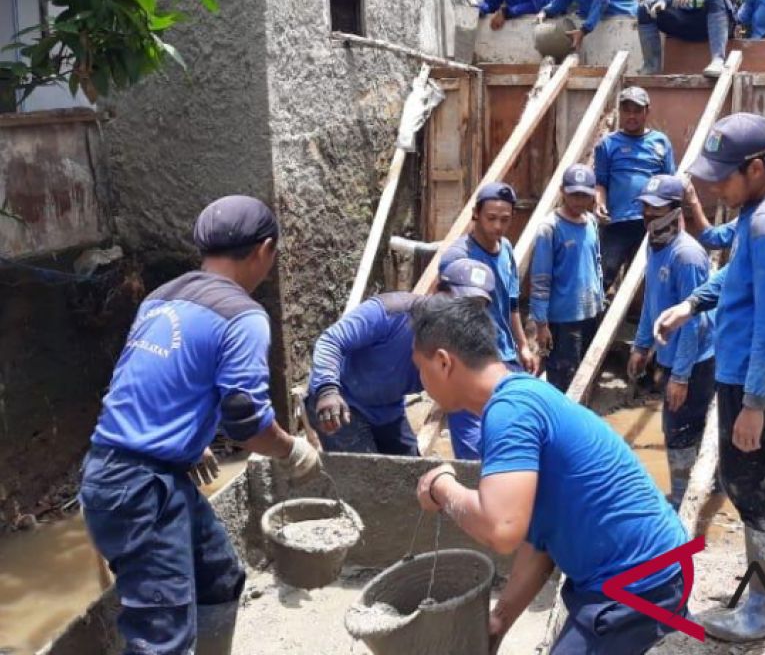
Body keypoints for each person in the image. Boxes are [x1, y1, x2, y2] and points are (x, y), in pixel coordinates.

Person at [80, 196, 322, 654]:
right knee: (162, 640)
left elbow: (135, 383)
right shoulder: (244, 316)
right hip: (138, 489)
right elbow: (246, 423)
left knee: (219, 579)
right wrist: (291, 450)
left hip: (128, 473)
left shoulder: (163, 296)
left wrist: (188, 443)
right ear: (265, 249)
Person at [411, 296, 691, 655]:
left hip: (638, 583)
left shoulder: (509, 413)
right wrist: (499, 621)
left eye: (420, 367)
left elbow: (502, 529)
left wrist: (441, 486)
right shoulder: (525, 397)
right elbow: (539, 540)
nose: (421, 381)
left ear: (444, 362)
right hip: (653, 572)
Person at [655, 113, 765, 641]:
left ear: (755, 168)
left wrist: (754, 403)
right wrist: (694, 302)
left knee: (751, 488)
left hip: (763, 378)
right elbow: (740, 269)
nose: (714, 186)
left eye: (723, 177)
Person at [306, 258, 495, 456]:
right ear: (437, 292)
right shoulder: (390, 311)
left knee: (412, 473)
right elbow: (330, 341)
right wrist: (327, 390)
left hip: (387, 410)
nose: (462, 316)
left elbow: (466, 399)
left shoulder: (460, 344)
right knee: (364, 478)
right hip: (343, 403)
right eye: (460, 304)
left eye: (474, 310)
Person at [629, 175, 716, 509]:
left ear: (674, 211)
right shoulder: (655, 246)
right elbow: (653, 299)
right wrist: (640, 345)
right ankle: (697, 489)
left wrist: (680, 376)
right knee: (680, 428)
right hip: (670, 354)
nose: (649, 216)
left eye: (656, 209)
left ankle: (684, 500)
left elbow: (695, 321)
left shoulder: (687, 256)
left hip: (694, 360)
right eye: (645, 209)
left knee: (680, 431)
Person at [440, 181, 539, 460]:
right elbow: (447, 313)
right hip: (470, 359)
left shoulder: (506, 248)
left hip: (505, 356)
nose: (498, 226)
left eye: (505, 220)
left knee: (514, 432)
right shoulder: (458, 259)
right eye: (491, 218)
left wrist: (522, 344)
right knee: (473, 446)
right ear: (475, 214)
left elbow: (511, 302)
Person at [593, 86, 677, 290]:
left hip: (651, 222)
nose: (631, 116)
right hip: (617, 223)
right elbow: (600, 182)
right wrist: (599, 204)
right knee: (603, 276)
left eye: (637, 110)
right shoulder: (607, 144)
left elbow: (669, 184)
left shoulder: (660, 142)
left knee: (653, 280)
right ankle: (594, 321)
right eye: (626, 110)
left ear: (647, 112)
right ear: (620, 111)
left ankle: (647, 320)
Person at [530, 165, 605, 391]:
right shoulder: (550, 228)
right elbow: (540, 280)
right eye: (574, 194)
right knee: (563, 376)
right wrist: (541, 324)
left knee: (586, 371)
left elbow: (597, 263)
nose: (579, 201)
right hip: (563, 319)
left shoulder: (591, 222)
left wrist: (600, 298)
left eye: (585, 195)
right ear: (562, 191)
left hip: (591, 312)